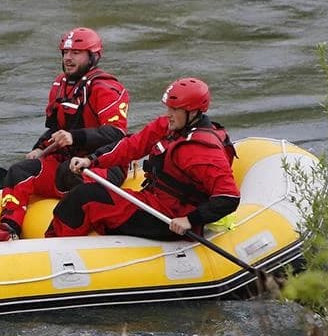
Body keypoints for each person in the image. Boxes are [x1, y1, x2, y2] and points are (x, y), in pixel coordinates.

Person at [46, 77, 239, 240]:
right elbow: (132, 146)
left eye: (175, 110)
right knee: (85, 192)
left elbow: (229, 197)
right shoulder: (168, 126)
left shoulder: (202, 150)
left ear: (194, 112)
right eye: (168, 108)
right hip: (153, 201)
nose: (169, 114)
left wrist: (190, 220)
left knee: (84, 197)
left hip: (169, 218)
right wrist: (91, 160)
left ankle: (54, 250)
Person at [0, 27, 131, 237]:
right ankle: (9, 228)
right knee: (19, 171)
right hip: (68, 161)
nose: (68, 58)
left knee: (71, 176)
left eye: (76, 53)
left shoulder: (106, 88)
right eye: (65, 52)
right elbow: (54, 129)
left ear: (93, 56)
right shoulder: (60, 84)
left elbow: (116, 134)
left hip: (103, 164)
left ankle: (63, 233)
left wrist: (74, 137)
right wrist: (39, 148)